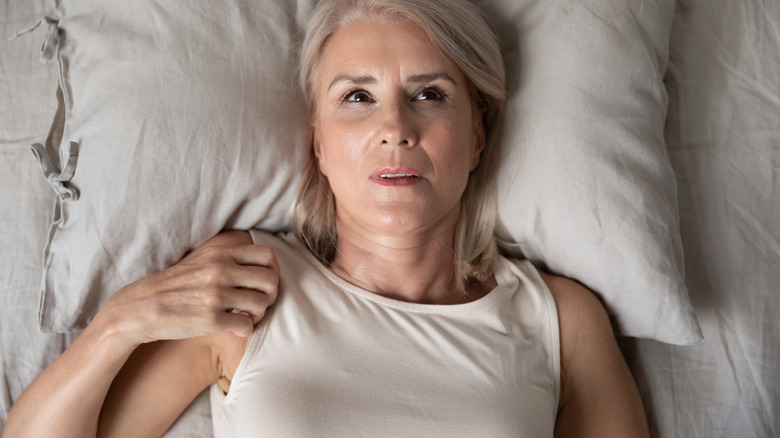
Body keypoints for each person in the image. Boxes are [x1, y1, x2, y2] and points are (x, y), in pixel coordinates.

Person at [4, 0, 649, 436]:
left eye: (430, 94)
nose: (395, 129)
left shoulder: (559, 322)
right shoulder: (248, 287)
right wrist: (122, 320)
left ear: (477, 135)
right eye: (358, 97)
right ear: (317, 139)